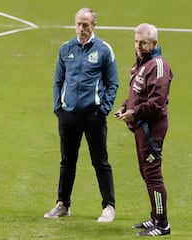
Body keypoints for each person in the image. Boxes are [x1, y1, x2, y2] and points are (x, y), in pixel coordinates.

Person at [44, 8, 119, 222]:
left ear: (93, 26)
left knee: (100, 161)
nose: (81, 29)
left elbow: (112, 82)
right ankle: (63, 204)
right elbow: (58, 80)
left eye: (85, 25)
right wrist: (58, 107)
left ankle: (109, 206)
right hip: (68, 115)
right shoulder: (66, 49)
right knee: (67, 161)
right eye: (78, 24)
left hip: (93, 116)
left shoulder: (104, 50)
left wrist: (103, 109)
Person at [114, 23, 173, 236]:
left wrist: (135, 113)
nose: (138, 46)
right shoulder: (142, 63)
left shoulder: (158, 66)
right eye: (136, 42)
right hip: (140, 127)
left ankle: (163, 224)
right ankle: (155, 216)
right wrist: (125, 107)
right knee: (146, 172)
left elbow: (156, 102)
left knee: (153, 174)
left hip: (151, 129)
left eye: (143, 43)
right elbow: (137, 94)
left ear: (154, 43)